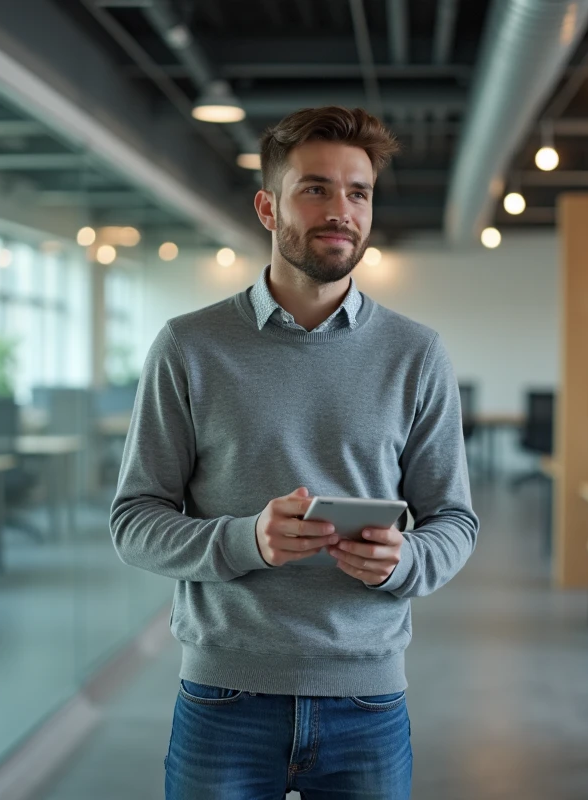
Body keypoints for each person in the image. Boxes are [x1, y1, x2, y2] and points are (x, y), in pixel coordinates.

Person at [110, 105, 478, 799]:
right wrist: (249, 539)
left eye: (358, 192)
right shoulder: (190, 348)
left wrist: (408, 559)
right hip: (224, 694)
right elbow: (134, 520)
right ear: (267, 207)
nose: (341, 210)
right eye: (316, 188)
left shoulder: (417, 354)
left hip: (367, 700)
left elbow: (454, 521)